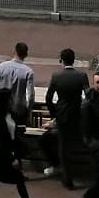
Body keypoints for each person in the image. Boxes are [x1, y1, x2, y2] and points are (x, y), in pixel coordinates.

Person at [39, 48, 88, 189]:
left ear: (61, 60)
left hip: (62, 116)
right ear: (74, 60)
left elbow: (48, 98)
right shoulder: (81, 75)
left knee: (63, 146)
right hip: (76, 116)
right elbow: (87, 95)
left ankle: (67, 178)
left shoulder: (56, 76)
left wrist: (54, 113)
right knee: (72, 144)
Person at [0, 43, 36, 128]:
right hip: (19, 110)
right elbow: (30, 96)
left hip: (2, 108)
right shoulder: (28, 71)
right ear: (26, 54)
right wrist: (28, 110)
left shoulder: (2, 66)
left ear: (14, 52)